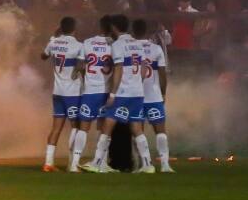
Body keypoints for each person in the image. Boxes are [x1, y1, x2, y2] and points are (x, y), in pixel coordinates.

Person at [83, 14, 155, 174]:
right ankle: (148, 164)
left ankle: (97, 162)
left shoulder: (118, 45)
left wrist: (113, 94)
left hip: (122, 93)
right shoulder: (137, 44)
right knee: (137, 128)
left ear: (114, 27)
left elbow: (119, 69)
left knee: (107, 126)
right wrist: (138, 83)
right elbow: (144, 67)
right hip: (137, 92)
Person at [69, 16, 113, 172]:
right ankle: (101, 162)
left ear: (99, 27)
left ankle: (74, 163)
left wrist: (81, 73)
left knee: (83, 128)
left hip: (89, 92)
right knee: (103, 128)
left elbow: (79, 65)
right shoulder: (113, 46)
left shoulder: (87, 43)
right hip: (106, 92)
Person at [41, 17, 83, 172]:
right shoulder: (79, 46)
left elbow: (43, 56)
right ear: (74, 28)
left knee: (56, 128)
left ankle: (48, 162)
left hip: (57, 92)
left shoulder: (53, 43)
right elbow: (80, 66)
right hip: (72, 93)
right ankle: (72, 164)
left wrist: (54, 37)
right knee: (75, 126)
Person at [133, 19, 174, 173]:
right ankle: (165, 165)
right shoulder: (156, 49)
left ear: (133, 32)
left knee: (137, 130)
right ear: (148, 32)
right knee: (160, 130)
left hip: (136, 96)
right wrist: (163, 93)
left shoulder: (131, 48)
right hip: (154, 96)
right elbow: (163, 74)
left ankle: (144, 164)